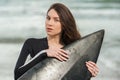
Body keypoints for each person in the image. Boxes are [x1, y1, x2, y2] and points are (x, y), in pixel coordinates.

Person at [14, 3, 99, 80]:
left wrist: (87, 74)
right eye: (48, 18)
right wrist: (44, 53)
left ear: (65, 23)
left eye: (56, 20)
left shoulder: (73, 49)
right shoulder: (31, 44)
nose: (49, 23)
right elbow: (17, 75)